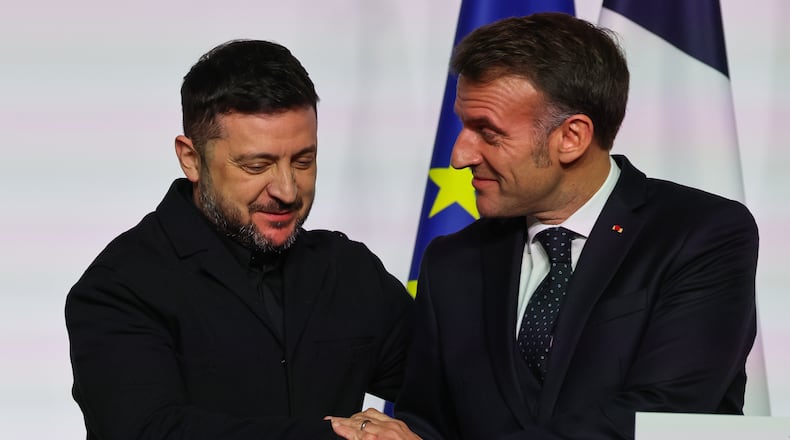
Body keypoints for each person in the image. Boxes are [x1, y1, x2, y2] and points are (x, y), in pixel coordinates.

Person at [327, 12, 758, 440]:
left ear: (571, 137)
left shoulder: (700, 234)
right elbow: (431, 424)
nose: (460, 156)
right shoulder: (452, 262)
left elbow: (661, 417)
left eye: (488, 133)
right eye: (463, 126)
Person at [65, 39, 414, 439]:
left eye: (303, 161)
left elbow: (449, 392)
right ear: (191, 159)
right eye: (257, 165)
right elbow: (150, 432)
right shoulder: (119, 287)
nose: (287, 190)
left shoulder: (349, 271)